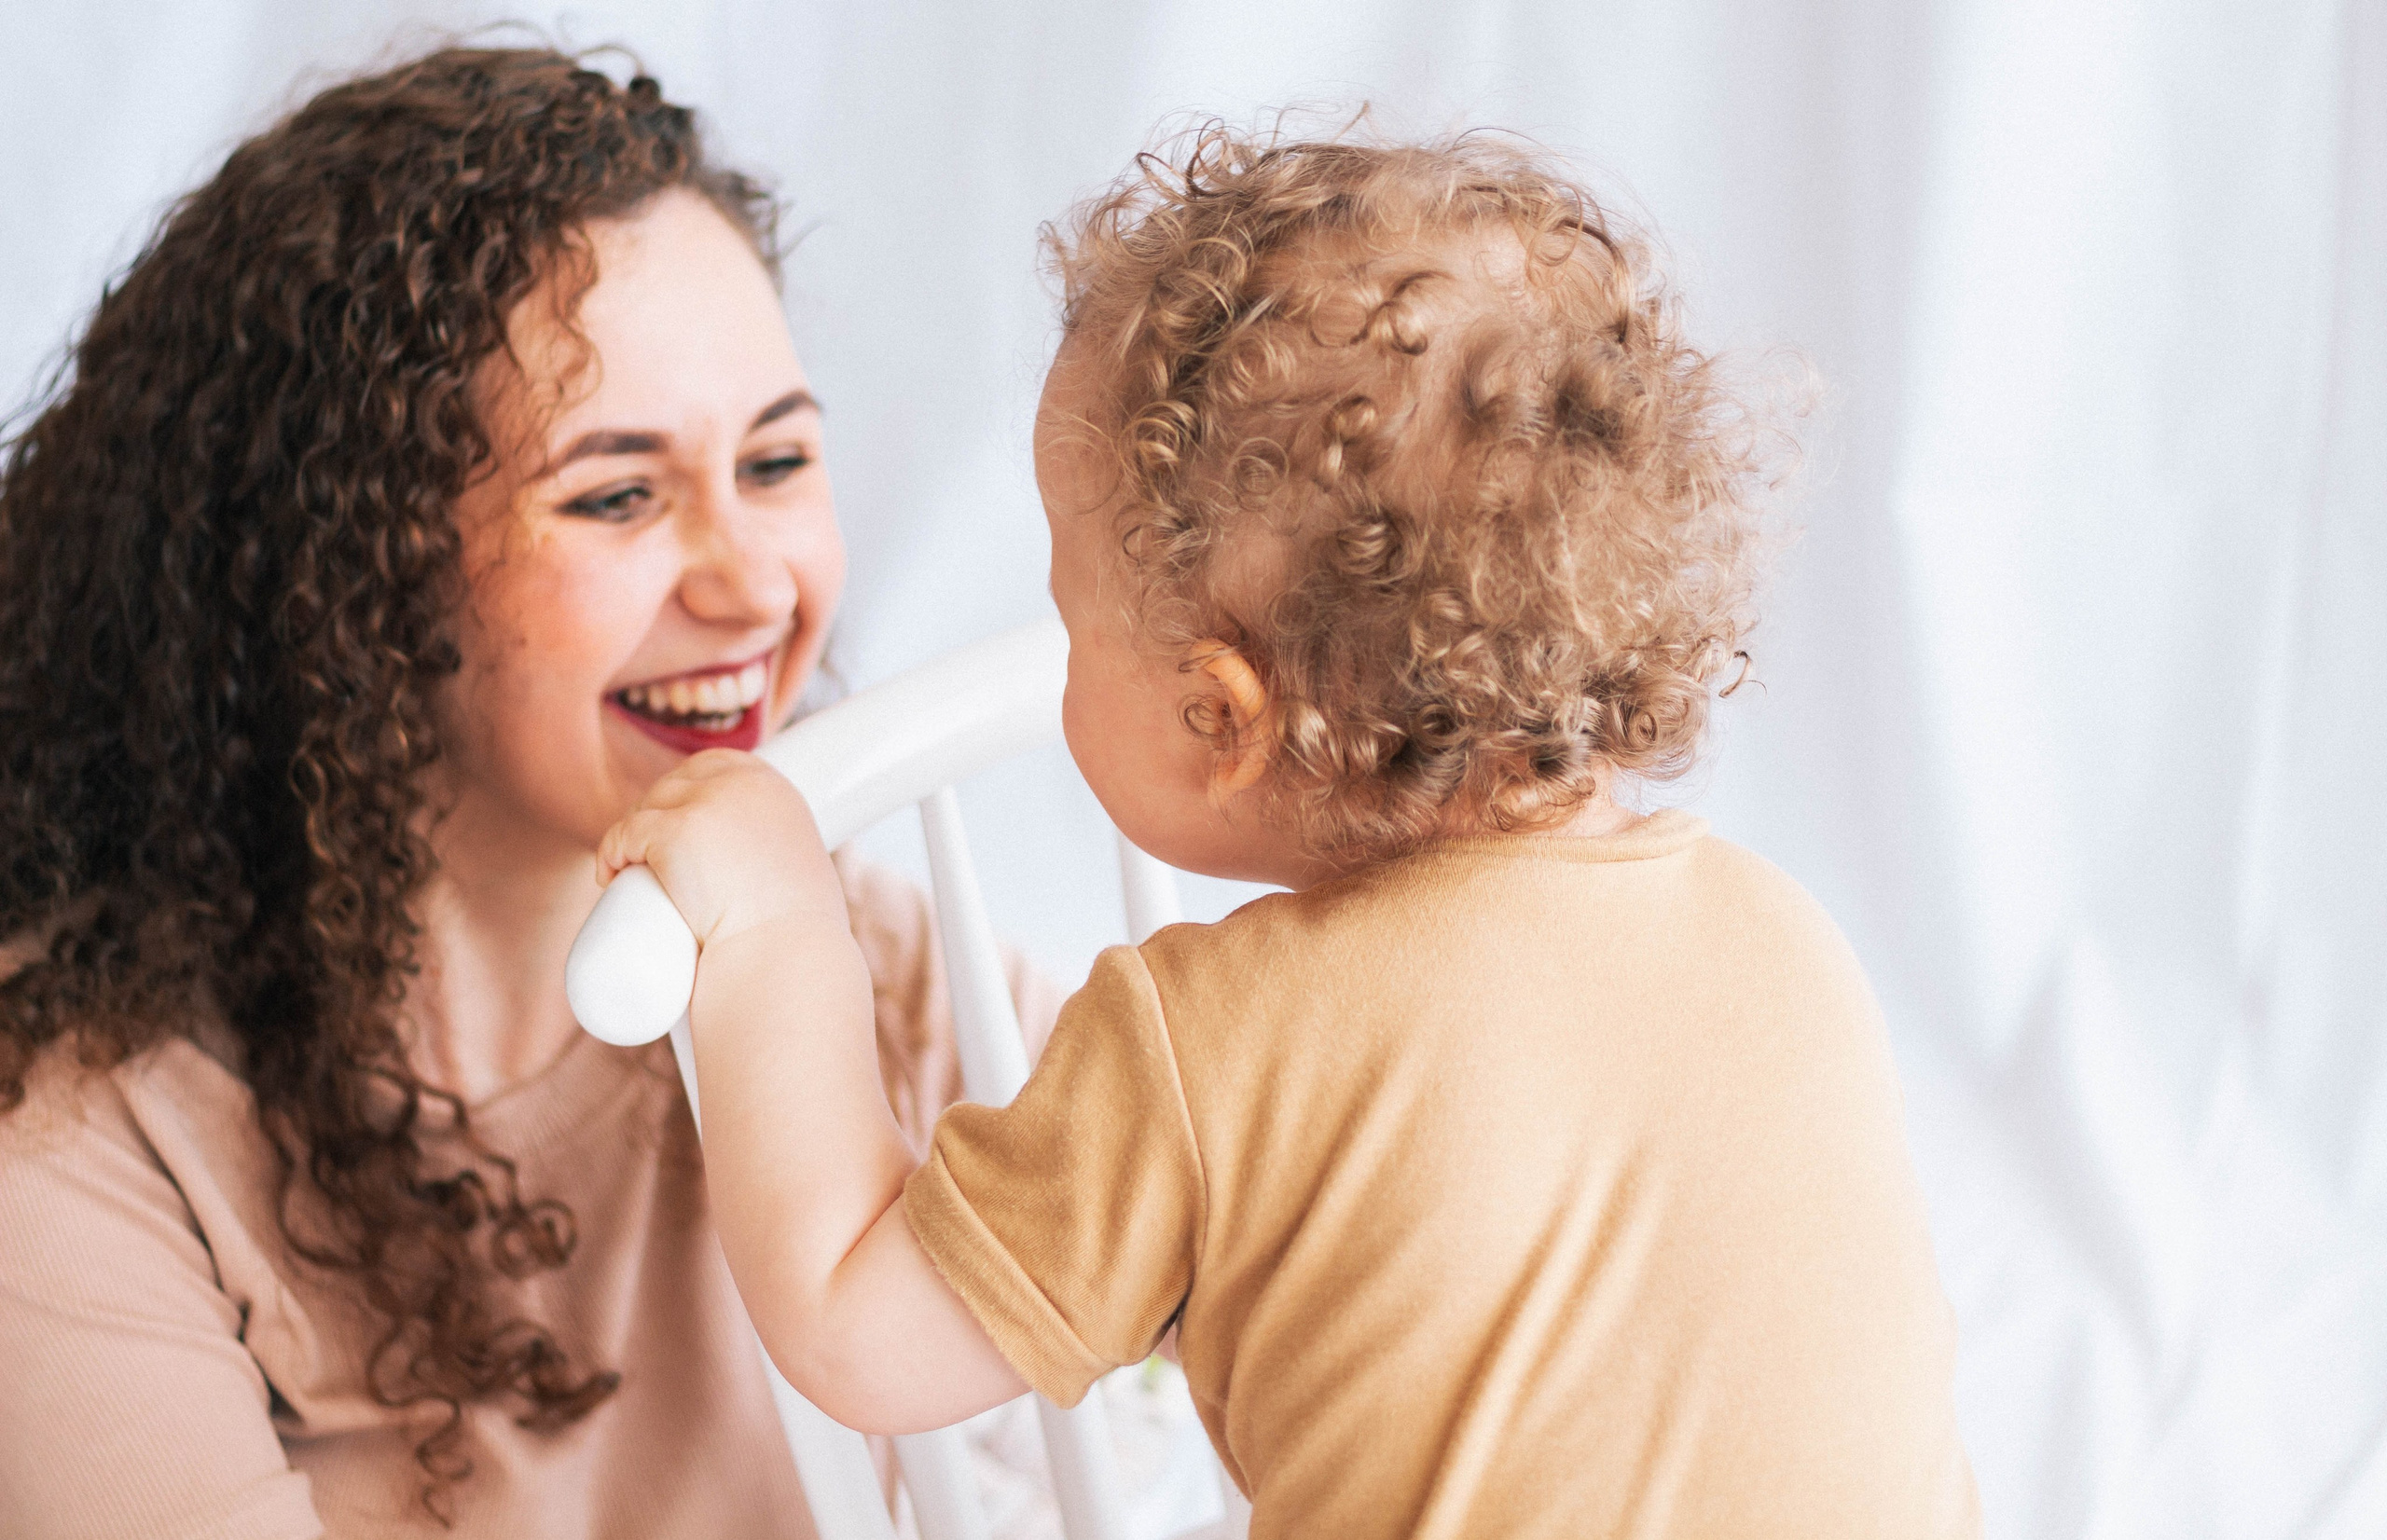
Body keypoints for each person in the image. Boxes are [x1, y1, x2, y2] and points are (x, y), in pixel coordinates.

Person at [604, 125, 1985, 1537]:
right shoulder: (1782, 937)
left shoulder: (1206, 1049)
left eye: (1074, 617)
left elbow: (855, 1328)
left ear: (1222, 718)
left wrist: (777, 917)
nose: (1059, 653)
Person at [0, 47, 1052, 1537]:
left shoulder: (863, 973)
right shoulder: (81, 1136)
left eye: (776, 460)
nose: (754, 584)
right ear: (348, 569)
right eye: (617, 493)